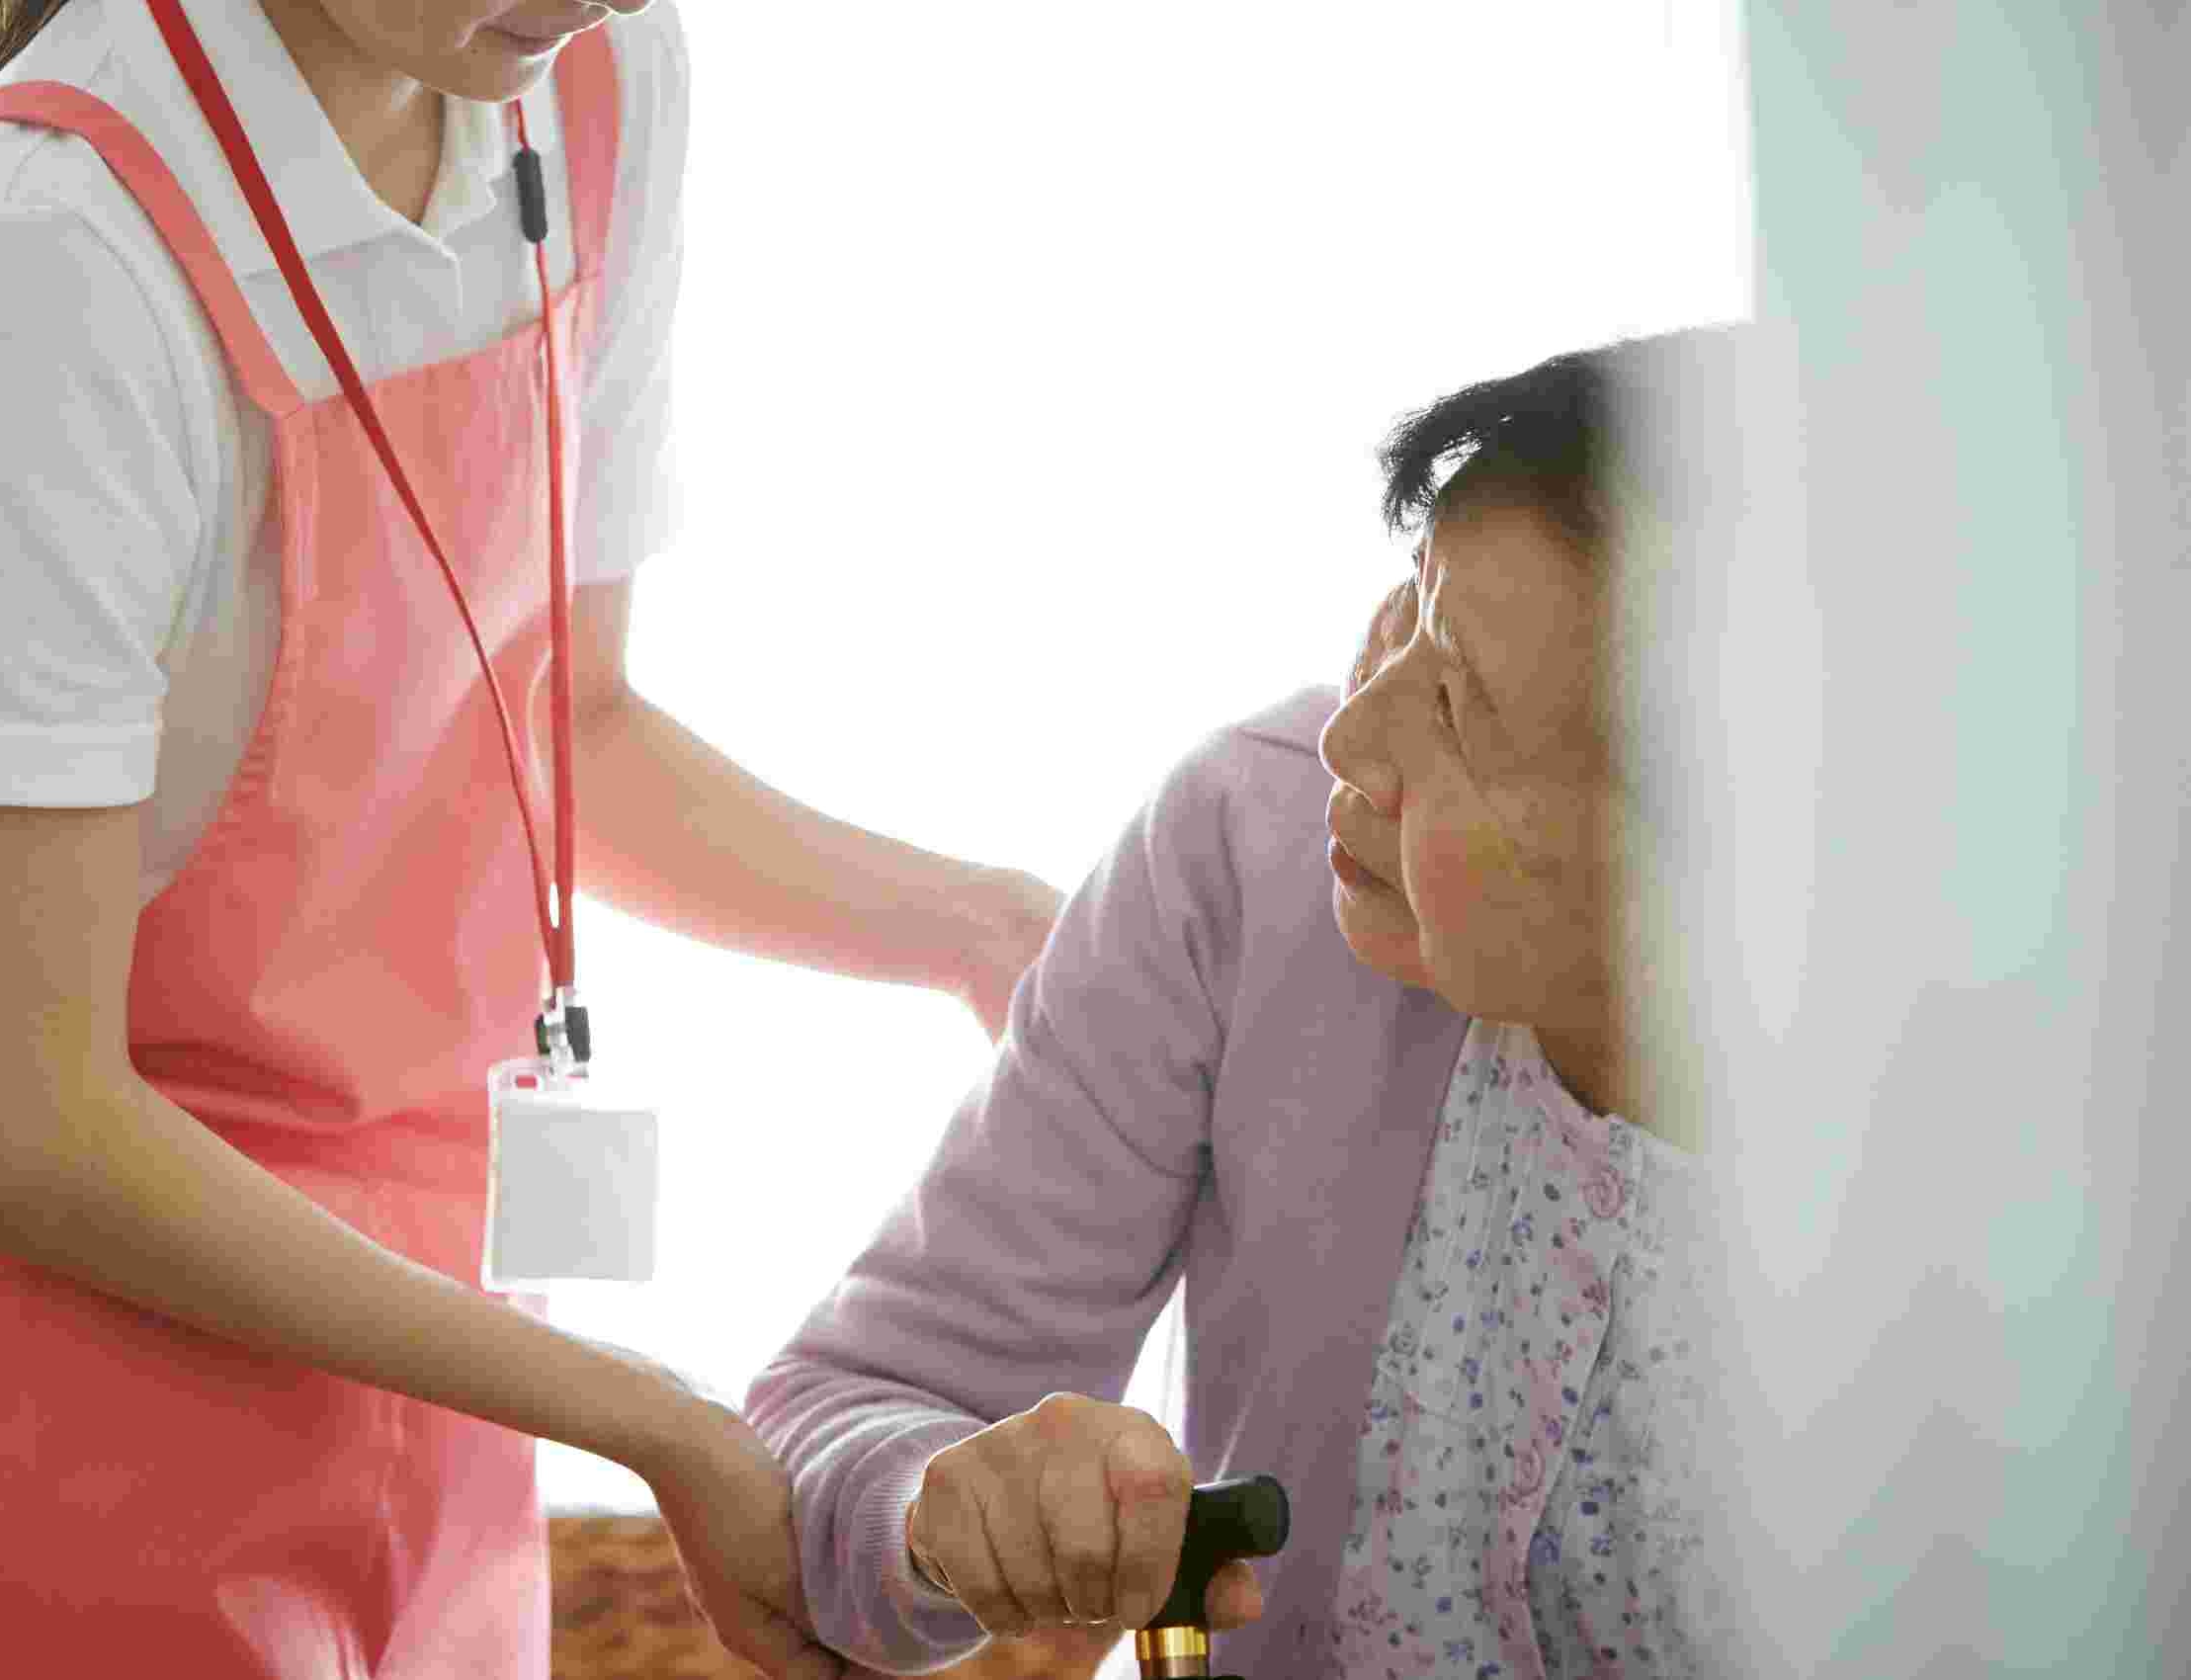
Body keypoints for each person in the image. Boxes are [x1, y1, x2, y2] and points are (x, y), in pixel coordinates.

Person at [0, 3, 1060, 1676]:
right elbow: (22, 1132)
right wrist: (653, 1418)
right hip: (57, 1400)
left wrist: (985, 929)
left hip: (432, 1345)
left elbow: (558, 722)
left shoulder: (580, 75)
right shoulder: (45, 251)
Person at [747, 333, 1744, 1677]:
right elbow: (844, 1411)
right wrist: (941, 1501)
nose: (1349, 736)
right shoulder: (1252, 838)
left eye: (1453, 704)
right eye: (1405, 609)